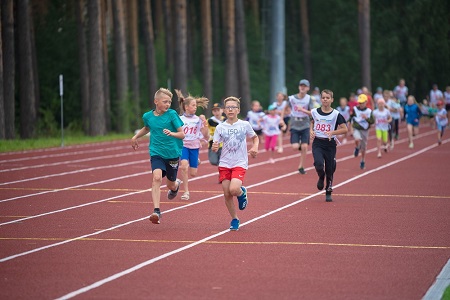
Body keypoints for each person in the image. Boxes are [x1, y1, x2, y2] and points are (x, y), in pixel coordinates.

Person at [131, 88, 185, 224]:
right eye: (165, 101)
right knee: (156, 178)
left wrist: (172, 133)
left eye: (169, 102)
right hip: (156, 152)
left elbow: (182, 134)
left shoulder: (172, 114)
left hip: (172, 153)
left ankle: (176, 185)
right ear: (156, 101)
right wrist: (136, 136)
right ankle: (156, 211)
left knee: (170, 185)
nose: (168, 104)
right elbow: (147, 128)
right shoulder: (147, 116)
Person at [211, 96, 259, 231]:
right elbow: (216, 144)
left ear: (238, 109)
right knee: (227, 194)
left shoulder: (244, 125)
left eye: (233, 107)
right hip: (225, 163)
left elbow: (255, 138)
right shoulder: (220, 127)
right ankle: (234, 219)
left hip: (240, 162)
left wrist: (255, 147)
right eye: (228, 107)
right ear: (224, 110)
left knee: (233, 190)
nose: (230, 109)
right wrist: (214, 147)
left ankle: (241, 192)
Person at [310, 89, 348, 202]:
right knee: (319, 164)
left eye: (327, 98)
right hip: (318, 142)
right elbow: (311, 122)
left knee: (330, 168)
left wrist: (333, 132)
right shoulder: (315, 112)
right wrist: (311, 131)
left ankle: (328, 190)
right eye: (323, 97)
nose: (325, 99)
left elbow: (345, 129)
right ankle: (321, 177)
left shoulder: (336, 114)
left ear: (332, 100)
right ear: (320, 99)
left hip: (330, 144)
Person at [175, 89, 209, 201]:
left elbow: (205, 135)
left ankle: (196, 161)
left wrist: (205, 124)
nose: (195, 107)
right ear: (186, 107)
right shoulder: (179, 119)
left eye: (196, 105)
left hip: (194, 146)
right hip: (183, 145)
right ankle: (186, 192)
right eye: (193, 105)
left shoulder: (198, 119)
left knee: (193, 173)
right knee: (184, 166)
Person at [284, 79, 314, 174]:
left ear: (308, 88)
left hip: (305, 125)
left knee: (305, 146)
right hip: (294, 125)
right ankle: (300, 146)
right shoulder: (292, 98)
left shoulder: (309, 99)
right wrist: (281, 119)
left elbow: (312, 113)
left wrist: (303, 110)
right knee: (295, 147)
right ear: (299, 87)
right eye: (301, 85)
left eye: (304, 86)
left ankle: (301, 166)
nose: (302, 87)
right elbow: (284, 109)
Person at [350, 94, 374, 170]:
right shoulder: (355, 109)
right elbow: (351, 117)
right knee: (357, 139)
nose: (360, 104)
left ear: (366, 102)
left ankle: (362, 160)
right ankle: (357, 147)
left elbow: (372, 121)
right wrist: (349, 124)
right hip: (356, 127)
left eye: (362, 103)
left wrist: (366, 118)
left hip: (365, 130)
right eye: (359, 103)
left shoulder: (369, 111)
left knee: (363, 148)